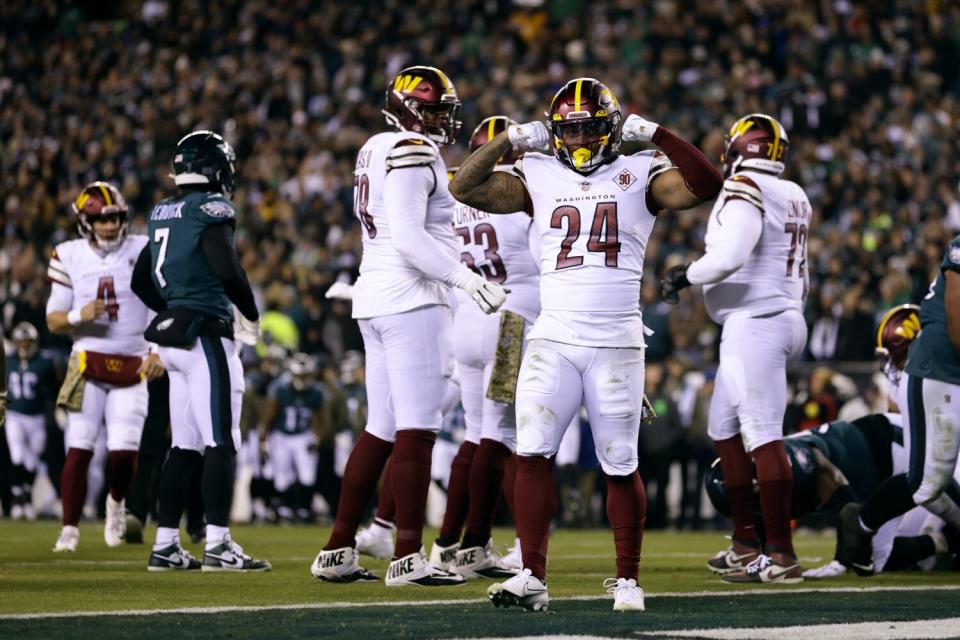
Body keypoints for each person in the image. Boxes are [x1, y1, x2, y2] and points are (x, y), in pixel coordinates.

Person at [450, 77, 722, 611]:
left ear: (611, 129)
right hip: (553, 335)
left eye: (588, 128)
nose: (577, 140)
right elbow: (463, 186)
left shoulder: (639, 171)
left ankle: (628, 581)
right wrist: (509, 140)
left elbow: (706, 183)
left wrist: (658, 134)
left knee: (619, 461)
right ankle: (531, 575)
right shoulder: (539, 173)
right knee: (531, 451)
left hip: (617, 341)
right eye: (568, 130)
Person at [311, 66, 506, 587]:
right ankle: (406, 557)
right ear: (410, 108)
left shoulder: (374, 146)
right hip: (411, 298)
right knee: (418, 430)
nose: (445, 119)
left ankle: (337, 549)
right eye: (437, 109)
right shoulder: (413, 151)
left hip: (376, 296)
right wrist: (467, 282)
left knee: (381, 428)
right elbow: (410, 239)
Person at [660, 113, 812, 583]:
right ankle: (746, 543)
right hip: (777, 315)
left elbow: (731, 255)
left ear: (738, 147)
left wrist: (684, 275)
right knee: (722, 426)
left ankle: (781, 554)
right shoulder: (793, 192)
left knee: (762, 433)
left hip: (758, 322)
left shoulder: (746, 185)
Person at [132, 130, 269, 572]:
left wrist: (173, 306)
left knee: (185, 446)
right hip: (206, 336)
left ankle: (167, 544)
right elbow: (226, 266)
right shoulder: (212, 208)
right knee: (222, 441)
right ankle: (218, 544)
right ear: (217, 168)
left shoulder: (162, 212)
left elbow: (140, 280)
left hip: (173, 341)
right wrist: (250, 311)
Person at [424, 115, 540, 580]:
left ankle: (450, 544)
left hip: (467, 317)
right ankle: (472, 544)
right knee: (501, 437)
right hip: (511, 319)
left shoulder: (454, 195)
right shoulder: (522, 187)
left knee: (476, 436)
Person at [46, 181, 166, 552]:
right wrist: (79, 315)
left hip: (134, 362)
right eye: (101, 220)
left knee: (123, 451)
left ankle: (115, 503)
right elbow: (53, 320)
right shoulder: (68, 254)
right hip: (86, 362)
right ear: (85, 221)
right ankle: (70, 527)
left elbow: (162, 303)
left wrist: (157, 349)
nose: (110, 226)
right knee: (79, 447)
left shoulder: (143, 247)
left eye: (114, 218)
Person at [841, 231, 960, 576]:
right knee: (926, 482)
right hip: (940, 373)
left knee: (930, 481)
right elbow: (957, 331)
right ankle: (861, 523)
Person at [259, 353, 324, 522]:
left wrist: (316, 438)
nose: (302, 379)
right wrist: (264, 440)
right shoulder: (281, 388)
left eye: (305, 375)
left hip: (303, 435)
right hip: (282, 436)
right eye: (299, 375)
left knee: (307, 476)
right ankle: (284, 508)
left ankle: (303, 509)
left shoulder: (316, 391)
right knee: (282, 477)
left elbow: (321, 418)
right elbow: (269, 416)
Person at [4, 322, 58, 520]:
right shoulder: (7, 360)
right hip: (15, 415)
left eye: (28, 342)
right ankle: (18, 498)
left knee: (32, 461)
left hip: (36, 418)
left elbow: (52, 391)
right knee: (17, 455)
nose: (24, 346)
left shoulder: (44, 362)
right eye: (21, 342)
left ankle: (25, 497)